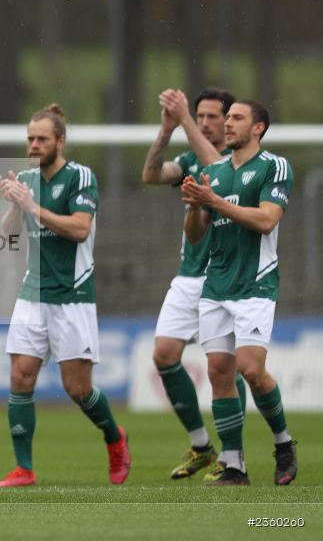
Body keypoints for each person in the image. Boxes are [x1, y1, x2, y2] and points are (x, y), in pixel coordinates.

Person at [0, 104, 130, 488]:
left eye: (42, 139)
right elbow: (9, 235)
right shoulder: (25, 178)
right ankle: (24, 469)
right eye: (30, 139)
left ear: (60, 141)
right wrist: (13, 205)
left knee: (77, 388)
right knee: (20, 377)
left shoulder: (81, 177)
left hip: (72, 296)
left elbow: (80, 229)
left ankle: (115, 438)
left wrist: (31, 205)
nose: (34, 145)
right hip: (32, 293)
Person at [181, 99, 297, 486]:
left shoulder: (273, 167)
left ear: (259, 128)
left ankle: (282, 442)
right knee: (218, 372)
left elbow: (266, 220)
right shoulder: (213, 171)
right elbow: (196, 236)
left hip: (254, 284)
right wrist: (196, 207)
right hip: (217, 284)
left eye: (237, 118)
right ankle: (234, 465)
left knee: (251, 368)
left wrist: (212, 201)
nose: (227, 124)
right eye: (226, 118)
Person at [141, 87, 251, 481]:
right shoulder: (190, 158)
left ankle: (236, 456)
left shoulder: (237, 163)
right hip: (189, 275)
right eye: (199, 116)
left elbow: (218, 169)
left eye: (211, 117)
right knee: (164, 355)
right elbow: (151, 175)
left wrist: (184, 117)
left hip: (226, 278)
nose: (204, 122)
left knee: (227, 368)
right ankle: (202, 445)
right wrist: (166, 130)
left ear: (231, 120)